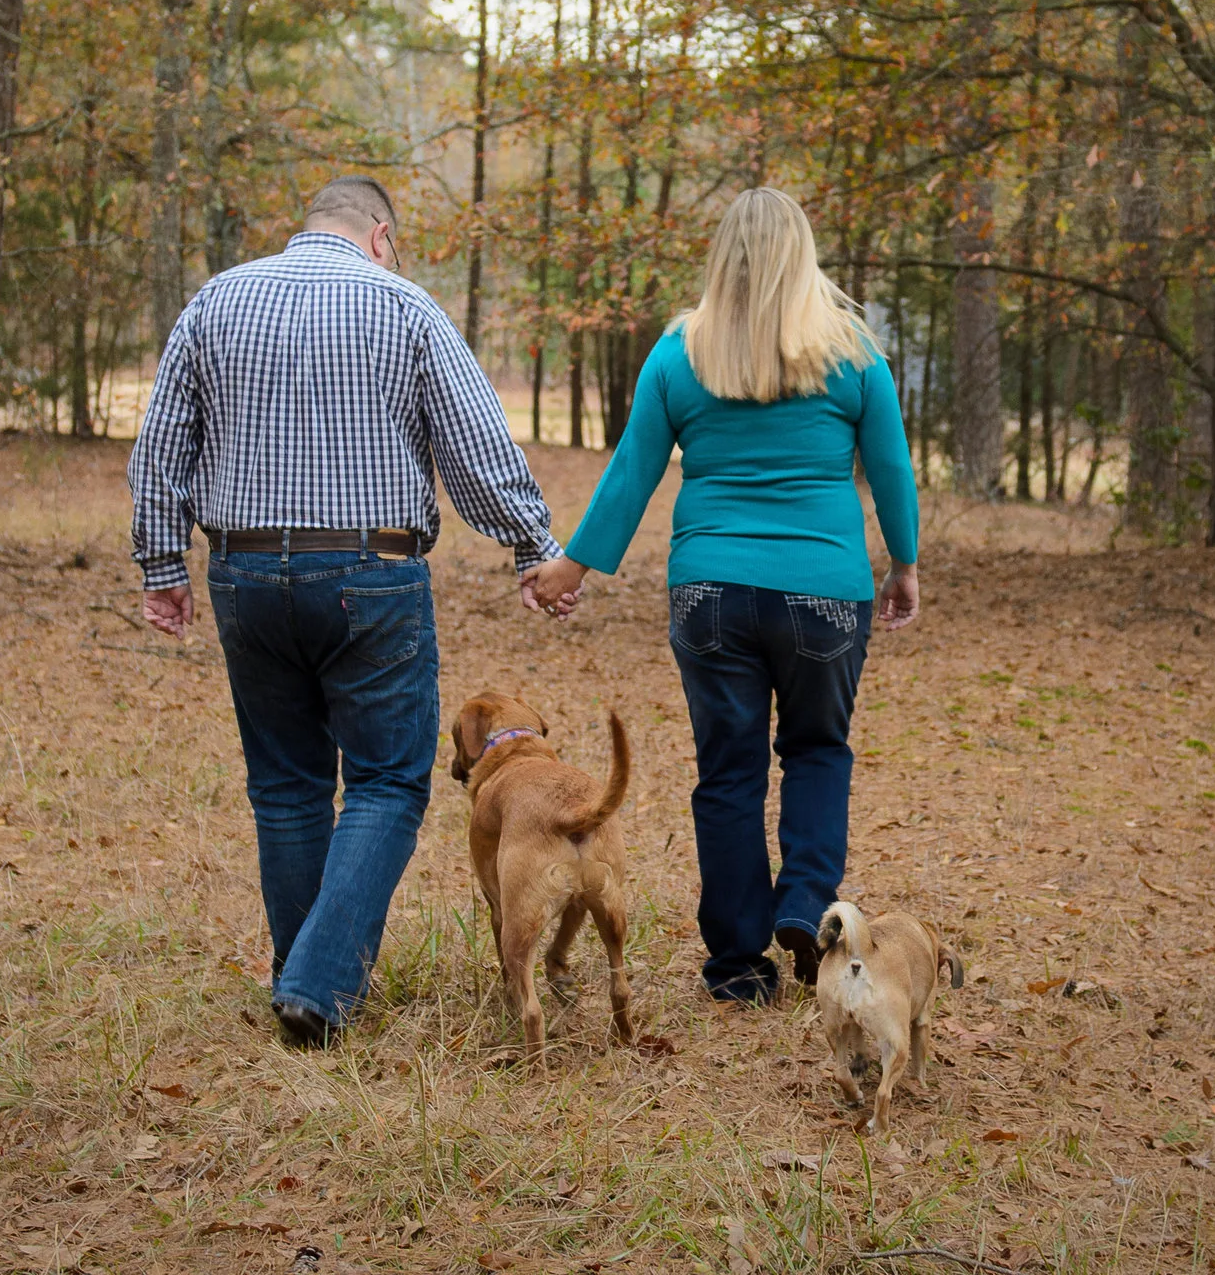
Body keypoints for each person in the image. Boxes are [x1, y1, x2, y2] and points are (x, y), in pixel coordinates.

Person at [129, 176, 564, 1047]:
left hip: (245, 572)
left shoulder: (217, 300)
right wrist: (531, 544)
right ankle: (318, 985)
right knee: (388, 781)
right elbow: (475, 442)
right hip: (371, 571)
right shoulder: (404, 306)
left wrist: (161, 563)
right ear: (380, 236)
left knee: (285, 785)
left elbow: (163, 440)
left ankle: (301, 981)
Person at [521, 187, 920, 1003]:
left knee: (728, 772)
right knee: (817, 750)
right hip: (824, 592)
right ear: (803, 255)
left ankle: (737, 964)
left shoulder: (681, 352)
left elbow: (633, 470)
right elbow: (890, 470)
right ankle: (805, 905)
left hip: (710, 594)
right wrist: (904, 564)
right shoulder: (853, 354)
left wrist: (573, 567)